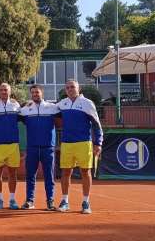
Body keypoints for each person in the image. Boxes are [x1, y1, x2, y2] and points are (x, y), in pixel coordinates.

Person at [56, 79, 103, 214]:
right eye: (68, 88)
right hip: (66, 143)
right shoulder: (62, 104)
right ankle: (65, 201)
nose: (70, 89)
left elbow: (96, 124)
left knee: (85, 172)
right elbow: (47, 108)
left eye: (73, 87)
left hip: (84, 143)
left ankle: (86, 202)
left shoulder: (87, 103)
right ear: (66, 90)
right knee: (65, 172)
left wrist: (98, 143)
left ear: (78, 88)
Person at [20, 85, 58, 211]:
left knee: (49, 176)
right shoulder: (25, 109)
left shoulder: (52, 107)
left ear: (42, 92)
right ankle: (30, 201)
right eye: (33, 93)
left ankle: (50, 201)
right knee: (30, 175)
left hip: (48, 148)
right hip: (32, 147)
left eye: (37, 92)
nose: (35, 94)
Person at [0, 83, 21, 210]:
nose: (3, 92)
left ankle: (12, 199)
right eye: (1, 90)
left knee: (12, 173)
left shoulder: (16, 105)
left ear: (10, 91)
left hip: (13, 144)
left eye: (5, 90)